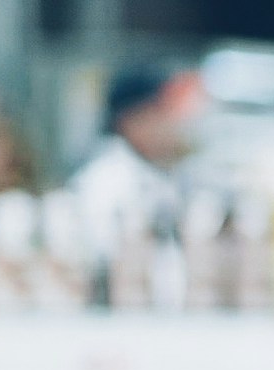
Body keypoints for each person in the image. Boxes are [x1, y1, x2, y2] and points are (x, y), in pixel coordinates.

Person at [67, 58, 202, 242]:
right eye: (161, 112)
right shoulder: (103, 183)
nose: (173, 123)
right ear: (130, 120)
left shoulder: (168, 172)